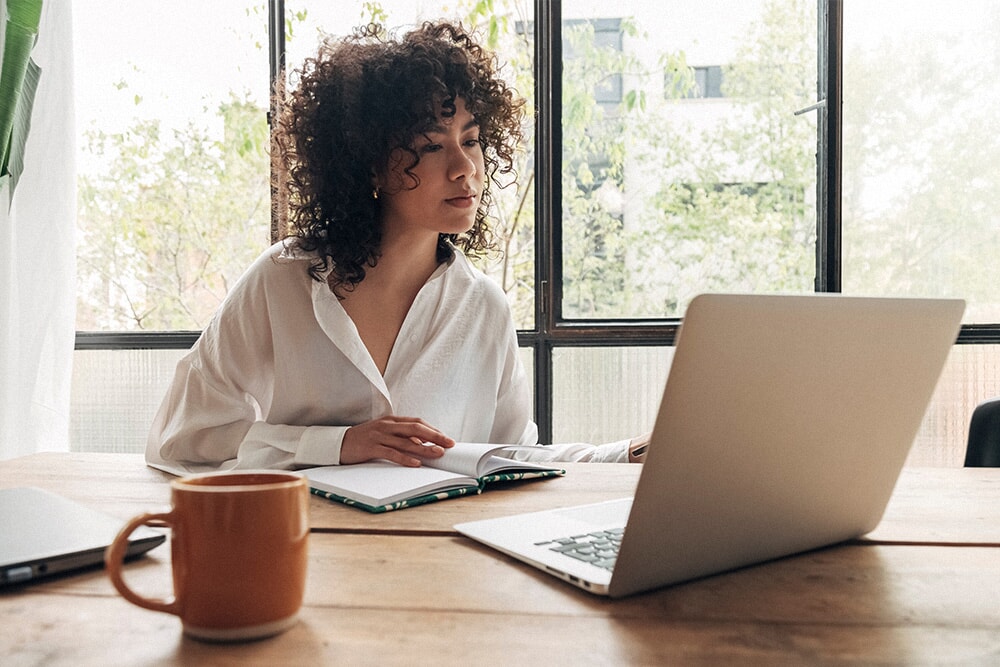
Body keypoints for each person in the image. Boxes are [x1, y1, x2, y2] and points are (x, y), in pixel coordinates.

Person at [146, 20, 648, 474]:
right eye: (432, 146)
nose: (464, 167)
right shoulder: (281, 281)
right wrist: (339, 444)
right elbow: (184, 439)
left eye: (470, 141)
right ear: (368, 163)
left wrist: (624, 455)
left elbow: (508, 460)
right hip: (308, 555)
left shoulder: (483, 308)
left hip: (435, 559)